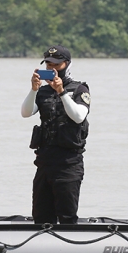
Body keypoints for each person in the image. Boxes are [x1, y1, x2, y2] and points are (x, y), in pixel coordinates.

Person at [21, 45, 90, 224]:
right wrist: (34, 89)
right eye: (48, 64)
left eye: (56, 65)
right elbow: (26, 112)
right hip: (44, 164)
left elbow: (78, 116)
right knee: (41, 217)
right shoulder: (43, 91)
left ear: (67, 64)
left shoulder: (80, 89)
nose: (52, 68)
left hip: (68, 165)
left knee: (67, 217)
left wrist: (61, 92)